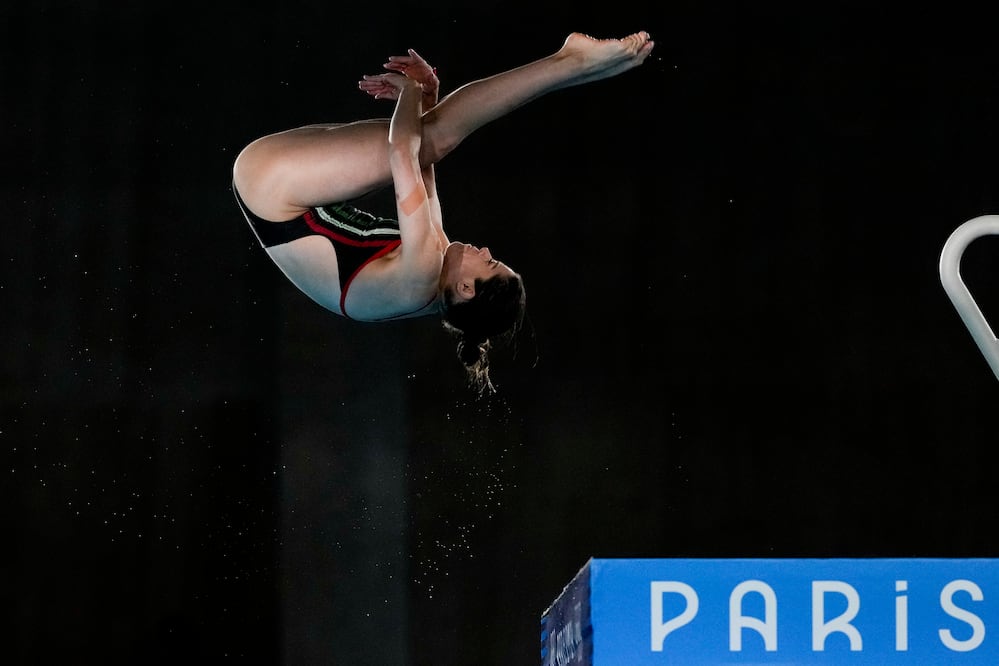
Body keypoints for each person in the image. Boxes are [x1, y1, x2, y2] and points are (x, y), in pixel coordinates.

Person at [232, 31, 655, 393]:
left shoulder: (421, 274)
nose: (484, 248)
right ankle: (579, 67)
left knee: (434, 137)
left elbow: (404, 152)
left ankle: (571, 61)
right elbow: (420, 167)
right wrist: (429, 95)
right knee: (433, 137)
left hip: (273, 185)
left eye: (488, 261)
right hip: (282, 191)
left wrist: (413, 92)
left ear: (468, 288)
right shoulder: (433, 274)